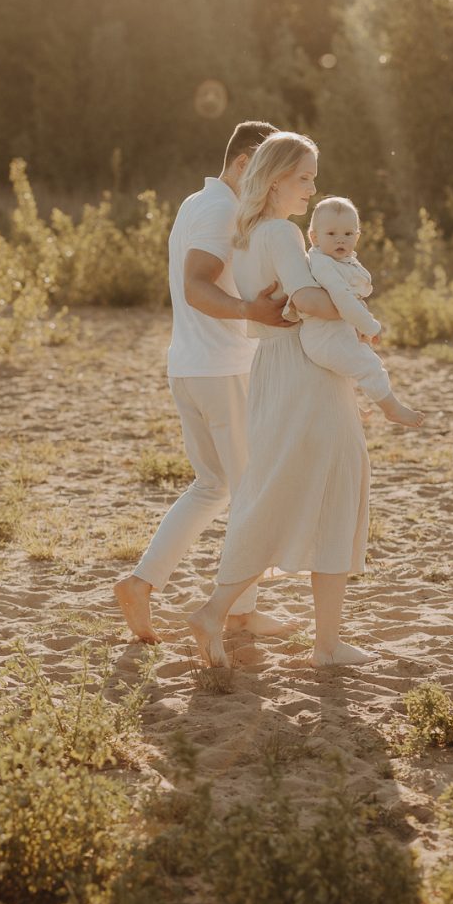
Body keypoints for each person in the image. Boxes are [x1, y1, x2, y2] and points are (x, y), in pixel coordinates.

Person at [114, 120, 338, 644]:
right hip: (223, 367)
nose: (267, 177)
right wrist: (250, 310)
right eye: (263, 166)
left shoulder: (198, 203)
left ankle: (144, 583)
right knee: (252, 493)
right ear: (244, 164)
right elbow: (196, 285)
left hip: (191, 366)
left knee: (215, 486)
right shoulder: (219, 209)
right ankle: (232, 612)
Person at [189, 132, 388, 670]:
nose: (312, 187)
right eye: (304, 177)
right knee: (321, 491)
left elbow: (285, 300)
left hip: (277, 370)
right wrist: (356, 310)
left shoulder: (251, 231)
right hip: (305, 377)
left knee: (297, 494)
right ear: (276, 178)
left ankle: (324, 643)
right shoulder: (279, 232)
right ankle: (219, 613)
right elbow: (305, 300)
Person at [286, 196, 425, 428]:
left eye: (348, 234)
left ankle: (352, 406)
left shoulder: (341, 260)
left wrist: (358, 326)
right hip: (324, 337)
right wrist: (371, 326)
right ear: (314, 237)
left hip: (334, 332)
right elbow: (343, 300)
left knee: (352, 364)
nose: (341, 239)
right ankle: (392, 409)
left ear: (357, 237)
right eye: (331, 234)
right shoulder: (322, 263)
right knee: (369, 365)